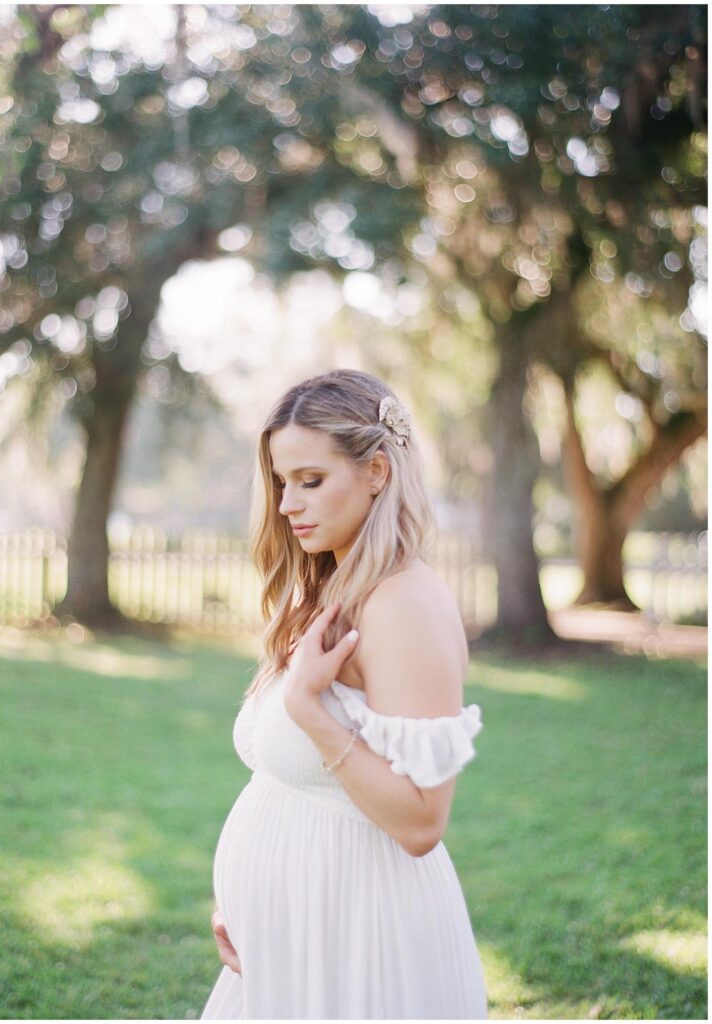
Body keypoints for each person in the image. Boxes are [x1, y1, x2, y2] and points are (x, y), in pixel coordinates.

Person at [200, 369, 487, 1020]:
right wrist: (247, 905)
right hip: (291, 940)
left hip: (363, 941)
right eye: (280, 482)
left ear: (377, 472)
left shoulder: (403, 603)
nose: (286, 505)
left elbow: (422, 820)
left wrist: (308, 711)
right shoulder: (331, 590)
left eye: (310, 481)